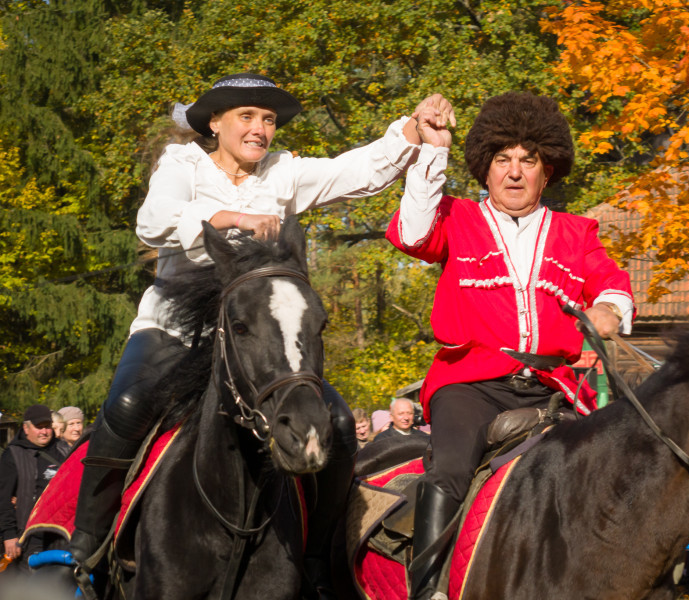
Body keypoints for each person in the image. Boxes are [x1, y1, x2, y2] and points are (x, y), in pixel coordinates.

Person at [66, 72, 455, 600]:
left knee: (338, 422)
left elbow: (353, 171)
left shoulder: (283, 173)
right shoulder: (182, 165)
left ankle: (317, 559)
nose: (260, 129)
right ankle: (86, 548)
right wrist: (231, 217)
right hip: (177, 329)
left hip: (260, 343)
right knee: (130, 401)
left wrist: (413, 129)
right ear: (215, 124)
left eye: (268, 119)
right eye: (246, 117)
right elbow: (153, 222)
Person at [385, 91, 633, 599]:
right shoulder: (454, 218)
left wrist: (608, 310)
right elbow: (410, 234)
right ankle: (428, 590)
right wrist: (433, 150)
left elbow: (611, 283)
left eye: (529, 160)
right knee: (449, 471)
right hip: (468, 383)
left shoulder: (576, 232)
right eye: (503, 160)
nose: (515, 172)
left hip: (554, 388)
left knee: (617, 474)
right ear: (486, 169)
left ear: (548, 171)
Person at [0, 404, 67, 574]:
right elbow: (3, 497)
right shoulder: (13, 455)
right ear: (26, 428)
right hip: (28, 537)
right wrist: (9, 535)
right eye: (39, 427)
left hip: (62, 534)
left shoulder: (64, 449)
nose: (44, 432)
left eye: (47, 427)